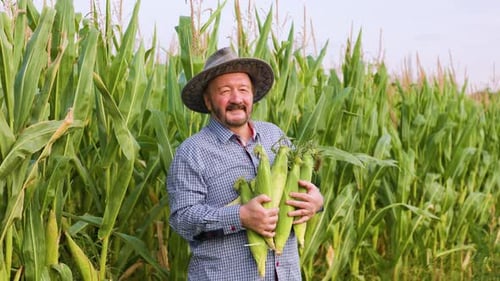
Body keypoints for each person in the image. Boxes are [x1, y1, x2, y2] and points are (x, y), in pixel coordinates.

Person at [167, 47, 324, 280]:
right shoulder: (192, 152)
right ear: (208, 101)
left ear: (252, 96)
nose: (236, 99)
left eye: (243, 89)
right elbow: (183, 220)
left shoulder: (275, 136)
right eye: (225, 91)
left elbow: (298, 186)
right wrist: (240, 217)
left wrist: (316, 202)